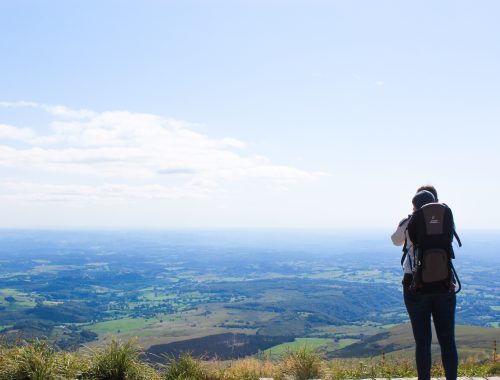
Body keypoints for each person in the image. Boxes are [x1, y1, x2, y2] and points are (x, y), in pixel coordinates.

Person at [391, 186, 458, 380]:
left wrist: (409, 219)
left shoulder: (410, 221)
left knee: (423, 341)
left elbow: (395, 240)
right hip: (445, 284)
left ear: (414, 207)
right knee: (448, 340)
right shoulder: (445, 218)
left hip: (415, 285)